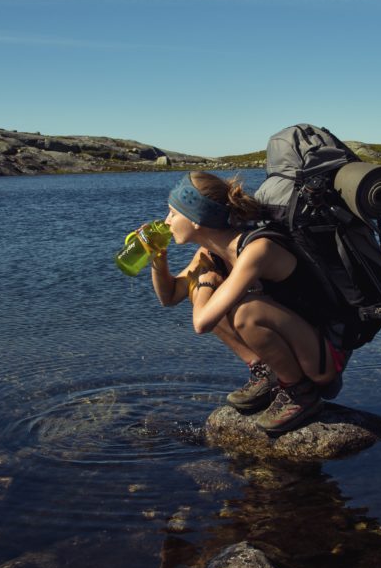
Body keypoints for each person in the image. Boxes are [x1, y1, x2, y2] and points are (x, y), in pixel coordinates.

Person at [148, 171, 349, 433]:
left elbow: (201, 323)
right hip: (298, 346)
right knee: (201, 293)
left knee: (245, 313)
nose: (167, 221)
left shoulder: (257, 249)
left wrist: (206, 281)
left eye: (173, 213)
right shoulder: (210, 253)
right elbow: (170, 296)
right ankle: (267, 373)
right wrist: (158, 258)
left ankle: (300, 393)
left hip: (324, 357)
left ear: (196, 219)